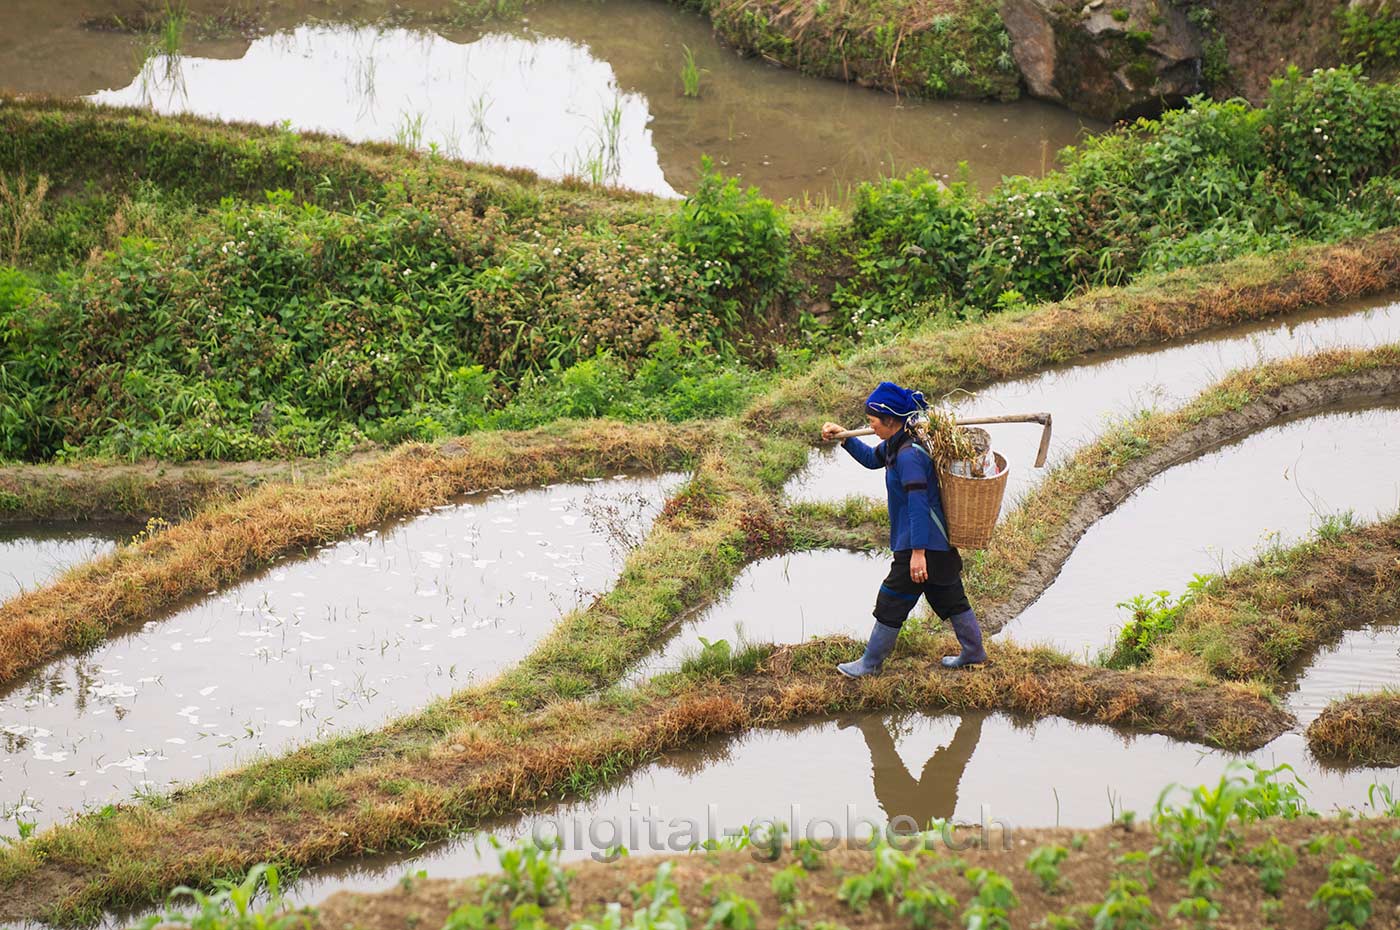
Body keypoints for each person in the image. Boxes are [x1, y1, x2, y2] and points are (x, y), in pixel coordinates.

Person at [821, 381, 987, 675]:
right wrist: (844, 438)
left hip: (920, 542)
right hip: (937, 543)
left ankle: (870, 664)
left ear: (891, 420)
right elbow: (873, 459)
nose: (870, 427)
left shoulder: (909, 455)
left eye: (873, 422)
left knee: (891, 600)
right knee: (949, 596)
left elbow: (918, 506)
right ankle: (974, 652)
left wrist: (918, 554)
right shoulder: (897, 443)